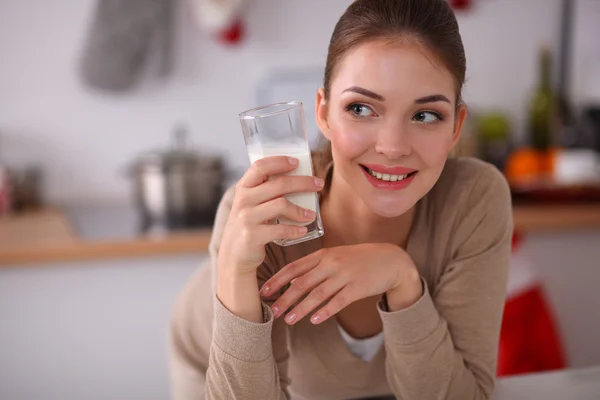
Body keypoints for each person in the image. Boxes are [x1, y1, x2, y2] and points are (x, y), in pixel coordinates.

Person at [169, 0, 513, 399]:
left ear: (456, 127)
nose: (393, 147)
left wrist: (402, 279)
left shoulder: (474, 201)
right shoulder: (267, 216)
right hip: (213, 367)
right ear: (324, 112)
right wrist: (234, 271)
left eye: (425, 116)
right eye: (361, 108)